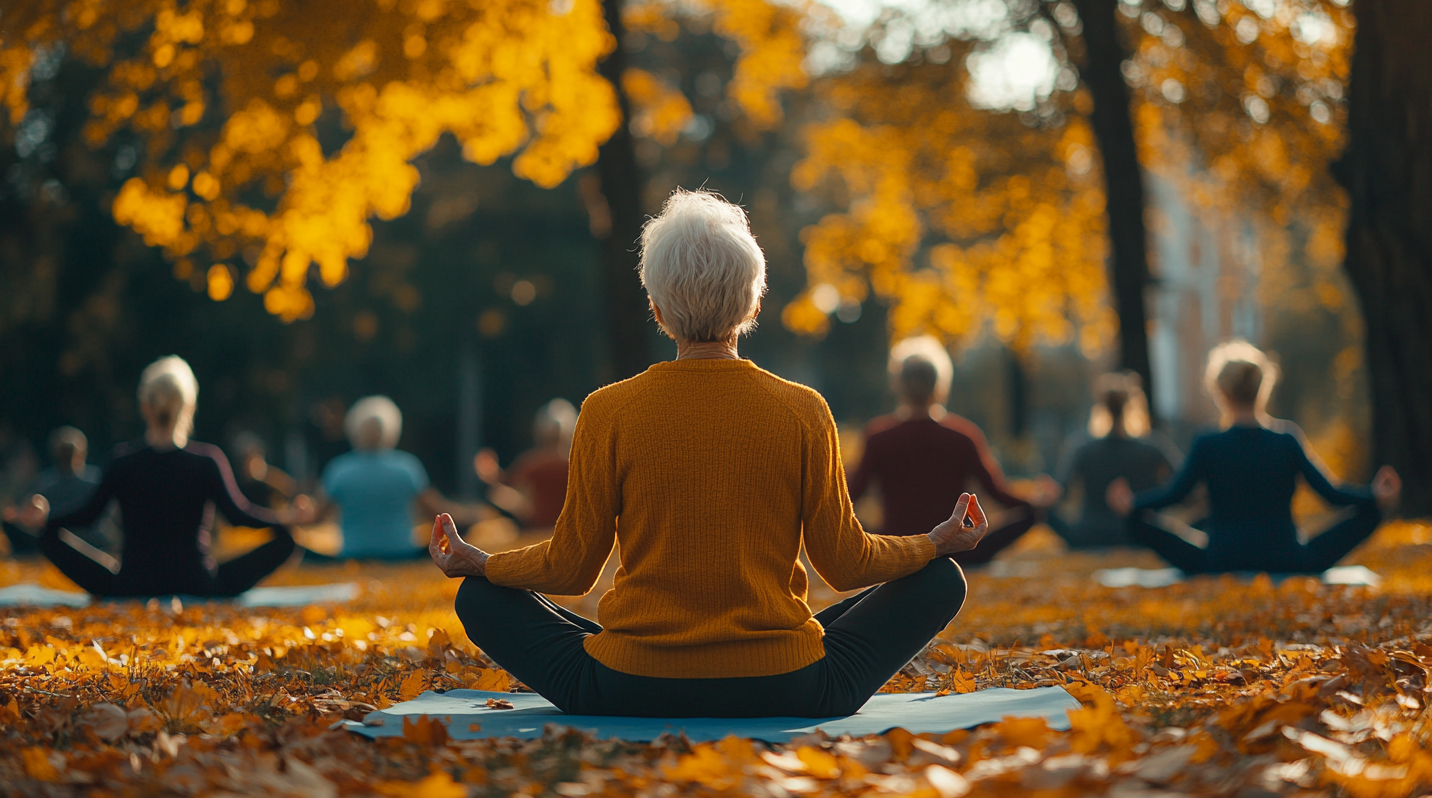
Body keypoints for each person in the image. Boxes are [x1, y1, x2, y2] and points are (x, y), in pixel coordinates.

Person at [427, 189, 989, 719]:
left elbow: (571, 568)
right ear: (753, 299)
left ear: (656, 306)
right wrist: (934, 543)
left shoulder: (606, 410)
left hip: (627, 686)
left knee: (481, 599)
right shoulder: (804, 410)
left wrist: (481, 563)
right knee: (941, 579)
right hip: (789, 685)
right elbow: (845, 563)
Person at [12, 356, 308, 598]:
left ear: (145, 407)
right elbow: (240, 515)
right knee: (287, 540)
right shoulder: (208, 460)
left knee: (47, 537)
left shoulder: (122, 461)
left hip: (131, 584)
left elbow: (88, 515)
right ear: (188, 407)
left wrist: (46, 521)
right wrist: (287, 519)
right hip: (198, 584)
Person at [1109, 340, 1401, 575]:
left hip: (1221, 559)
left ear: (1221, 392)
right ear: (1263, 388)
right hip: (1288, 557)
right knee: (1372, 512)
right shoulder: (1287, 439)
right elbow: (1331, 494)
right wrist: (1374, 496)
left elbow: (1174, 494)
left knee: (1134, 521)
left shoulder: (1207, 443)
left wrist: (1132, 504)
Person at [847, 336, 1046, 566]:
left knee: (848, 522)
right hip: (956, 552)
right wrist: (1036, 503)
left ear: (897, 384)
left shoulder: (878, 437)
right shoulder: (963, 435)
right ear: (940, 384)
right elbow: (998, 494)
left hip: (898, 549)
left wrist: (872, 538)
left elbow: (851, 498)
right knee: (1033, 515)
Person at [309, 396, 469, 561]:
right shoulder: (407, 467)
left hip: (352, 555)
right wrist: (467, 516)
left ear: (353, 430)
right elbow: (434, 513)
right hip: (401, 554)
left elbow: (316, 517)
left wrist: (286, 519)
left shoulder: (339, 470)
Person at [1045, 372, 1178, 548]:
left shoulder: (1082, 448)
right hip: (1140, 535)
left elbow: (1060, 494)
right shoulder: (1152, 447)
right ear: (1133, 406)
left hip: (1089, 535)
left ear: (1100, 407)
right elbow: (1181, 486)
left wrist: (1044, 498)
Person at [0, 427, 118, 556]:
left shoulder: (44, 483)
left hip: (62, 539)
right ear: (82, 453)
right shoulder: (95, 480)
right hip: (94, 539)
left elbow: (19, 511)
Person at [473, 399, 575, 532]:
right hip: (568, 535)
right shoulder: (579, 466)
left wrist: (492, 475)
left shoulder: (531, 465)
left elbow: (509, 489)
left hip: (536, 535)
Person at [230, 432, 297, 512]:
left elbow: (290, 489)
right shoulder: (235, 484)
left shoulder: (272, 479)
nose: (253, 462)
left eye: (256, 456)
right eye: (249, 458)